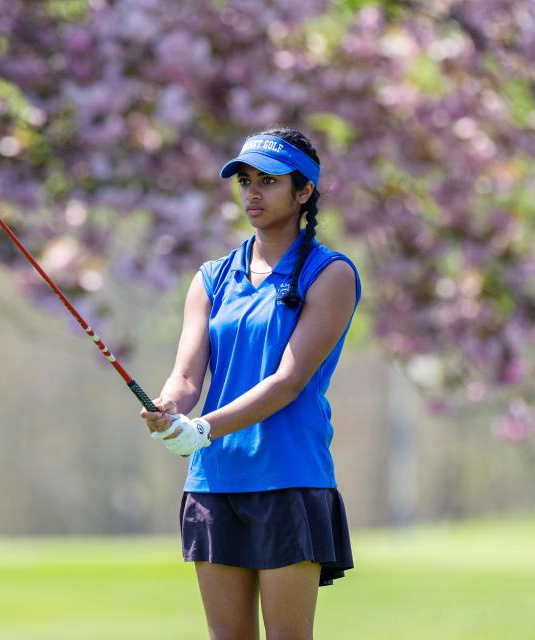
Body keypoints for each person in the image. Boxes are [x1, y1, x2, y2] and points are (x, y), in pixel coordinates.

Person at [140, 127, 361, 640]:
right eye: (245, 181)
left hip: (289, 477)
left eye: (268, 181)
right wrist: (170, 406)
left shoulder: (329, 274)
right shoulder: (212, 277)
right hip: (215, 482)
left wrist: (203, 428)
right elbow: (188, 374)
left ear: (304, 192)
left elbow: (287, 381)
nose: (253, 193)